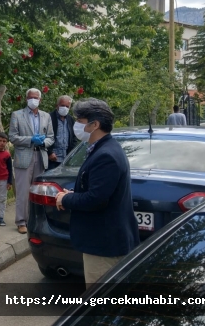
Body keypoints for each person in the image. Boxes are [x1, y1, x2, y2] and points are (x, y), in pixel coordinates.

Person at [55, 98, 139, 286]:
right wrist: (74, 193)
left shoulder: (106, 155)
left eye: (80, 120)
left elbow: (96, 199)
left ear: (95, 124)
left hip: (104, 246)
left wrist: (66, 199)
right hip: (104, 241)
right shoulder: (101, 149)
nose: (76, 124)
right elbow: (95, 188)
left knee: (100, 302)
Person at [9, 88, 54, 234]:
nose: (33, 100)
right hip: (24, 157)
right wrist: (30, 140)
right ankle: (21, 221)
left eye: (36, 97)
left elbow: (51, 137)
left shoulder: (46, 116)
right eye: (30, 97)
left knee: (39, 191)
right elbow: (13, 137)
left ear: (40, 100)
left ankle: (36, 220)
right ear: (26, 99)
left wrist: (43, 142)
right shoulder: (17, 115)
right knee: (23, 192)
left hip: (40, 156)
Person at [47, 95, 78, 169]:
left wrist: (71, 154)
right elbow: (43, 136)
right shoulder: (49, 118)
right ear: (57, 106)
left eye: (67, 106)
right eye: (62, 105)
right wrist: (49, 152)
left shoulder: (70, 119)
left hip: (66, 159)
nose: (65, 108)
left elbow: (74, 138)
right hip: (52, 158)